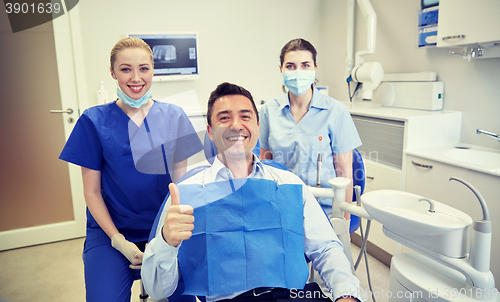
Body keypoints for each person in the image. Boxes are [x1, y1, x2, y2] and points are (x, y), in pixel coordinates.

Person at [142, 82, 362, 302]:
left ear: (257, 126)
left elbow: (326, 248)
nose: (236, 125)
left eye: (245, 116)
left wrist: (346, 294)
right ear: (210, 131)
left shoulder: (289, 184)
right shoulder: (187, 195)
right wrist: (165, 242)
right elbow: (158, 290)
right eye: (224, 118)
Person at [59, 37, 203, 301]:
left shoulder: (174, 116)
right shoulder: (93, 120)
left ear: (153, 71)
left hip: (163, 229)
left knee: (185, 295)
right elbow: (91, 192)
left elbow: (180, 186)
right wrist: (118, 241)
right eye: (125, 69)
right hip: (111, 233)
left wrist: (167, 236)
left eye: (144, 68)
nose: (136, 77)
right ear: (113, 73)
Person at [258, 38, 362, 218]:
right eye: (290, 66)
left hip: (326, 208)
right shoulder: (269, 111)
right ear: (281, 69)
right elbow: (266, 164)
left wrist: (343, 221)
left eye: (305, 65)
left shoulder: (336, 111)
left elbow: (345, 173)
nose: (298, 71)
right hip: (283, 205)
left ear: (315, 67)